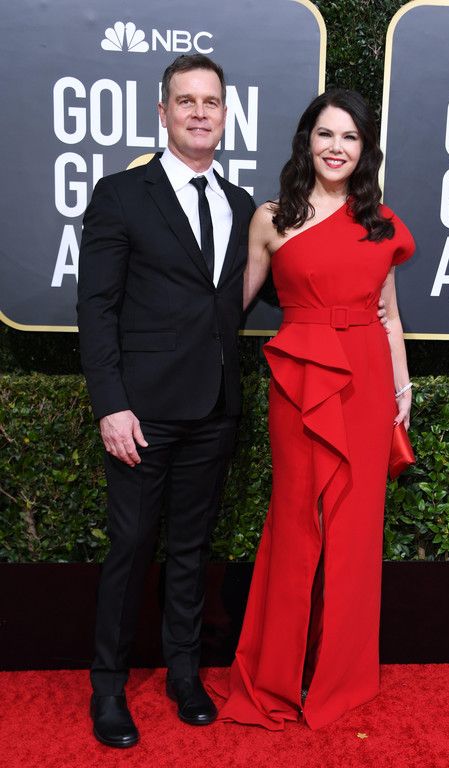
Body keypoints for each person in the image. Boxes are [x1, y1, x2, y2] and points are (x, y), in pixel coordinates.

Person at [216, 88, 414, 730]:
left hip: (366, 379)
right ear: (307, 141)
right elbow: (232, 307)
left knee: (356, 528)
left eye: (350, 137)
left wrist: (402, 388)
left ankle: (341, 677)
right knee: (296, 522)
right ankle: (275, 677)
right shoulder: (272, 218)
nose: (336, 147)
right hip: (299, 380)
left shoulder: (380, 222)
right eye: (326, 134)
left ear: (364, 150)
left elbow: (389, 315)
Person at [77, 54, 255, 747]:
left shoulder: (242, 204)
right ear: (163, 112)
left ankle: (184, 673)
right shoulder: (122, 195)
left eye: (211, 101)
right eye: (186, 101)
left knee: (190, 547)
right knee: (131, 546)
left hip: (214, 406)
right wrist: (110, 405)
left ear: (225, 114)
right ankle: (108, 686)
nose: (200, 112)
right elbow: (97, 308)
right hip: (142, 412)